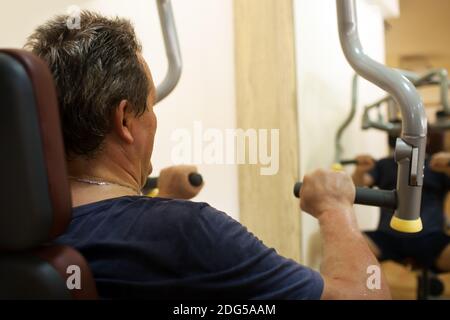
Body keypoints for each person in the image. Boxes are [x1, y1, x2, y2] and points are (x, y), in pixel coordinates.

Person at [26, 11, 390, 299]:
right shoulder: (190, 231)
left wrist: (158, 200)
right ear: (123, 118)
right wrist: (335, 207)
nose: (154, 120)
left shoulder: (21, 226)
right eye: (150, 107)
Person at [352, 133, 450, 272]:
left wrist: (448, 166)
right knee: (348, 246)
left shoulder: (436, 165)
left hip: (431, 238)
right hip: (388, 237)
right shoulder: (384, 164)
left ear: (426, 139)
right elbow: (358, 186)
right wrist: (360, 171)